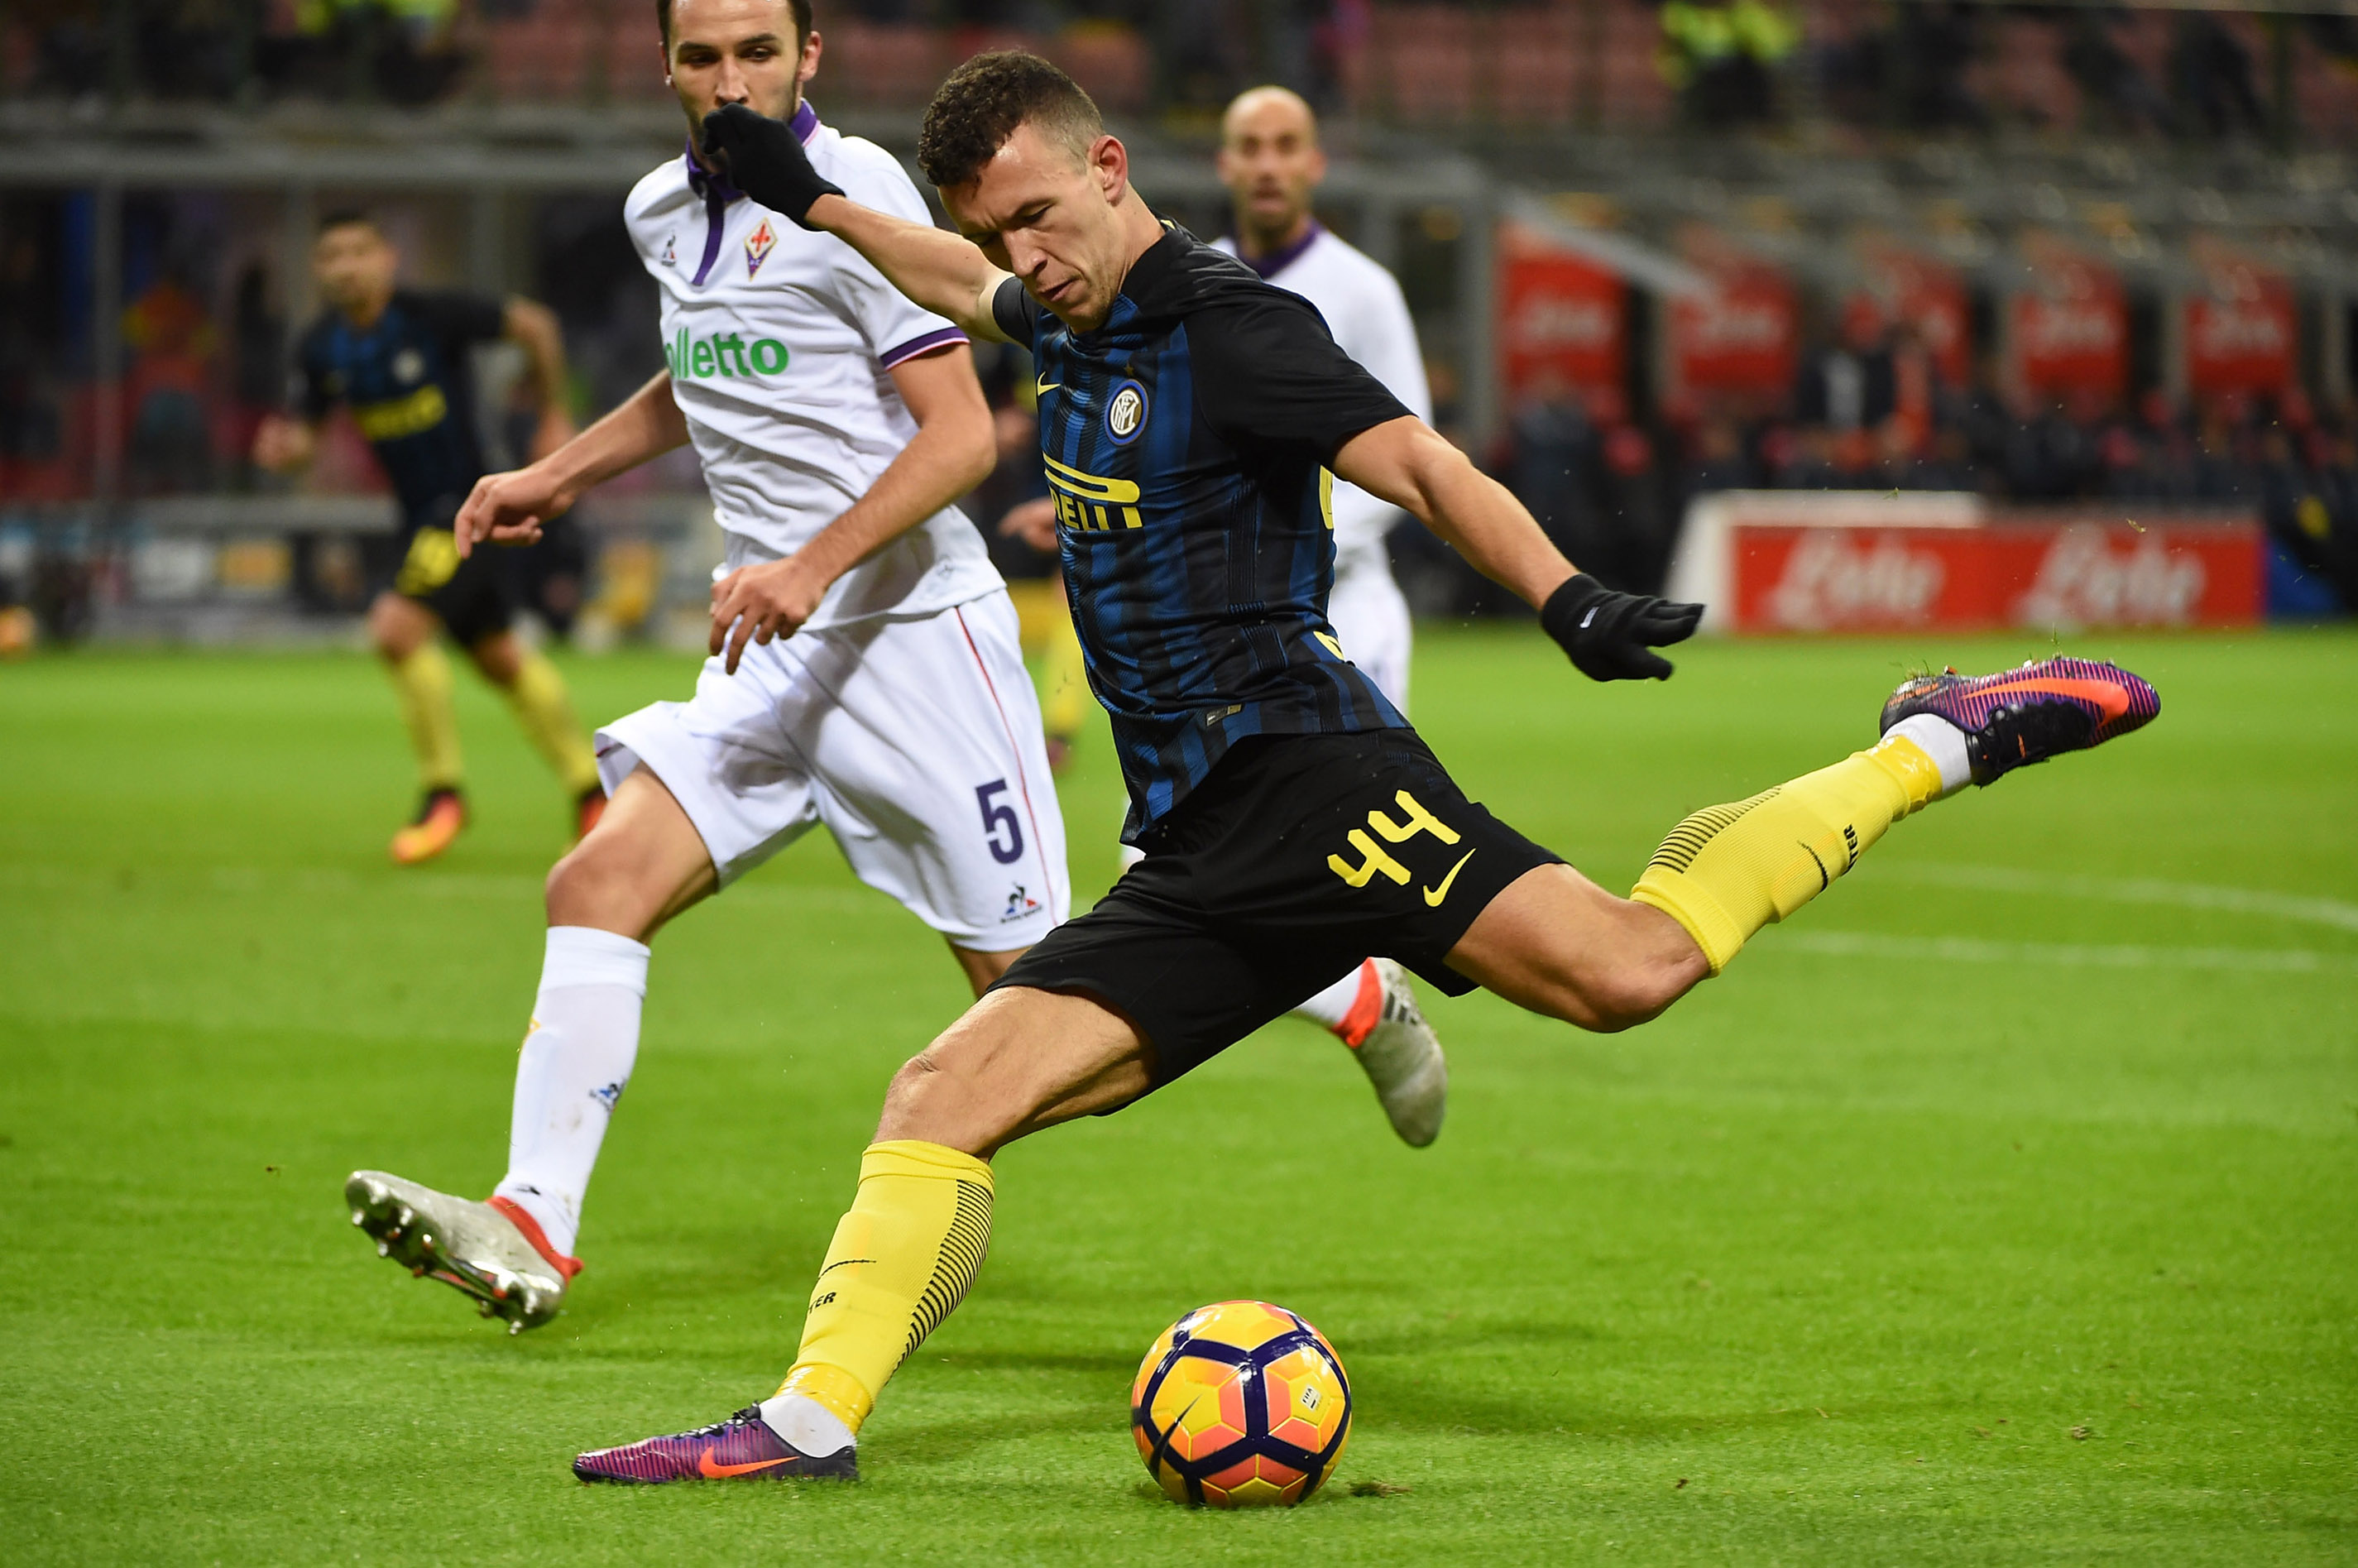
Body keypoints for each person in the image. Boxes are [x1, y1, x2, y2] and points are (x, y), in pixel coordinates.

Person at [570, 52, 2159, 1482]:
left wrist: (1565, 597)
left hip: (1316, 781)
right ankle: (804, 1425)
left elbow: (1416, 459)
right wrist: (819, 199)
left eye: (1045, 217)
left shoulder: (1238, 330)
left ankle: (1936, 737)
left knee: (1627, 968)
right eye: (1003, 237)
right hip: (1196, 845)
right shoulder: (1053, 306)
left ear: (1113, 167)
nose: (1025, 260)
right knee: (941, 1093)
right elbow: (935, 265)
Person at [338, 0, 1067, 1333]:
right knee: (595, 877)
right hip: (770, 647)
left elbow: (962, 434)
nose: (727, 81)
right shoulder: (659, 212)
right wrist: (551, 472)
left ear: (808, 59)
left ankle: (1326, 981)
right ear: (661, 65)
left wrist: (809, 564)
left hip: (912, 641)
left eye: (755, 52)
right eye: (700, 55)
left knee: (1035, 1001)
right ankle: (531, 1225)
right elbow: (701, 378)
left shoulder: (853, 190)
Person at [998, 79, 1450, 1141]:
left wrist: (1284, 555)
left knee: (1268, 869)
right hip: (1207, 647)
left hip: (1333, 622)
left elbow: (1406, 446)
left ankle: (1385, 994)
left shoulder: (1359, 286)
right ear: (1224, 160)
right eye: (1247, 144)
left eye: (1286, 144)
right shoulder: (1159, 286)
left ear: (1314, 162)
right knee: (1231, 874)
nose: (1266, 164)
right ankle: (1369, 999)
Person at [253, 212, 601, 864]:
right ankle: (592, 791)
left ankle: (443, 792)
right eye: (331, 256)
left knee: (395, 629)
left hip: (471, 505)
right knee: (499, 658)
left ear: (387, 258)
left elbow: (536, 324)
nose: (346, 266)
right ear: (318, 270)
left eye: (359, 251)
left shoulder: (430, 316)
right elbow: (307, 435)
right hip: (419, 519)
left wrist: (552, 409)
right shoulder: (320, 347)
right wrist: (286, 452)